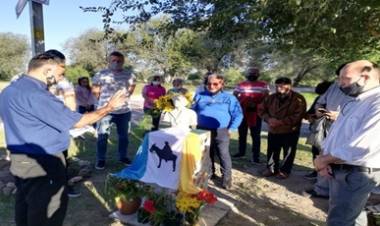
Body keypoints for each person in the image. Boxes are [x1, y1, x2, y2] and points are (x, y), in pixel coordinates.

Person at [0, 50, 127, 226]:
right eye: (60, 73)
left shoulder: (9, 90)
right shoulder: (37, 95)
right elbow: (79, 121)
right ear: (48, 70)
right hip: (44, 163)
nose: (61, 78)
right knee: (47, 213)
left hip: (20, 159)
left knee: (26, 206)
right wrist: (109, 107)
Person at [314, 60, 380, 226]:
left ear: (365, 77)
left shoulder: (377, 103)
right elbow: (337, 133)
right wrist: (325, 157)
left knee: (340, 221)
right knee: (352, 217)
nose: (340, 83)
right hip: (341, 168)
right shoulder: (355, 101)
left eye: (345, 78)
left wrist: (324, 160)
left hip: (357, 172)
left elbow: (363, 146)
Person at [303, 64, 352, 198]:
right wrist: (319, 111)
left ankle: (338, 192)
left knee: (341, 161)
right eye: (339, 77)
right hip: (328, 127)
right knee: (323, 155)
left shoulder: (367, 93)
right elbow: (320, 102)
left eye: (345, 77)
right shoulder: (334, 86)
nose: (341, 81)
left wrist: (340, 115)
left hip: (348, 130)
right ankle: (321, 189)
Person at [192, 73, 243, 189]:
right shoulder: (199, 96)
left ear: (221, 84)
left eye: (215, 84)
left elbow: (238, 115)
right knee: (206, 154)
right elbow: (192, 110)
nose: (211, 86)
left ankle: (227, 179)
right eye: (209, 84)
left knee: (223, 154)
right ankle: (210, 174)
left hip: (222, 130)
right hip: (202, 130)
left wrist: (232, 128)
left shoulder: (230, 98)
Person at [92, 51, 136, 170]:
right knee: (102, 136)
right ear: (109, 61)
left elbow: (132, 87)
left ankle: (123, 157)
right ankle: (101, 159)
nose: (116, 63)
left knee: (124, 137)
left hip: (124, 111)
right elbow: (95, 91)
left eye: (119, 61)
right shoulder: (100, 74)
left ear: (123, 62)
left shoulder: (129, 75)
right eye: (114, 60)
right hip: (105, 111)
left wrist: (126, 97)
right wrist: (104, 103)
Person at [258, 77, 306, 179]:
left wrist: (281, 122)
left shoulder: (299, 99)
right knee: (272, 150)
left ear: (289, 86)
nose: (279, 89)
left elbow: (298, 115)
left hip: (290, 131)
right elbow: (261, 110)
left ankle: (285, 170)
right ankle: (271, 169)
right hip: (273, 130)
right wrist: (268, 119)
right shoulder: (270, 98)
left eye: (282, 86)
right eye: (277, 86)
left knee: (288, 152)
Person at [232, 67, 269, 163]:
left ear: (258, 74)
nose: (252, 74)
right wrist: (240, 103)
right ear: (246, 74)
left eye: (255, 73)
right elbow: (235, 95)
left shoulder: (263, 85)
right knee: (242, 134)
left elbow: (267, 97)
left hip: (256, 113)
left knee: (255, 135)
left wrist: (257, 104)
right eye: (250, 72)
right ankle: (241, 152)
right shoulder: (241, 85)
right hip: (242, 112)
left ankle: (256, 156)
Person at [303, 80, 333, 179]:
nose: (322, 97)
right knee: (316, 152)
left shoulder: (336, 101)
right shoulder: (319, 98)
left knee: (328, 155)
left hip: (330, 132)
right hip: (317, 131)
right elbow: (309, 113)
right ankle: (316, 172)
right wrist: (310, 116)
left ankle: (327, 176)